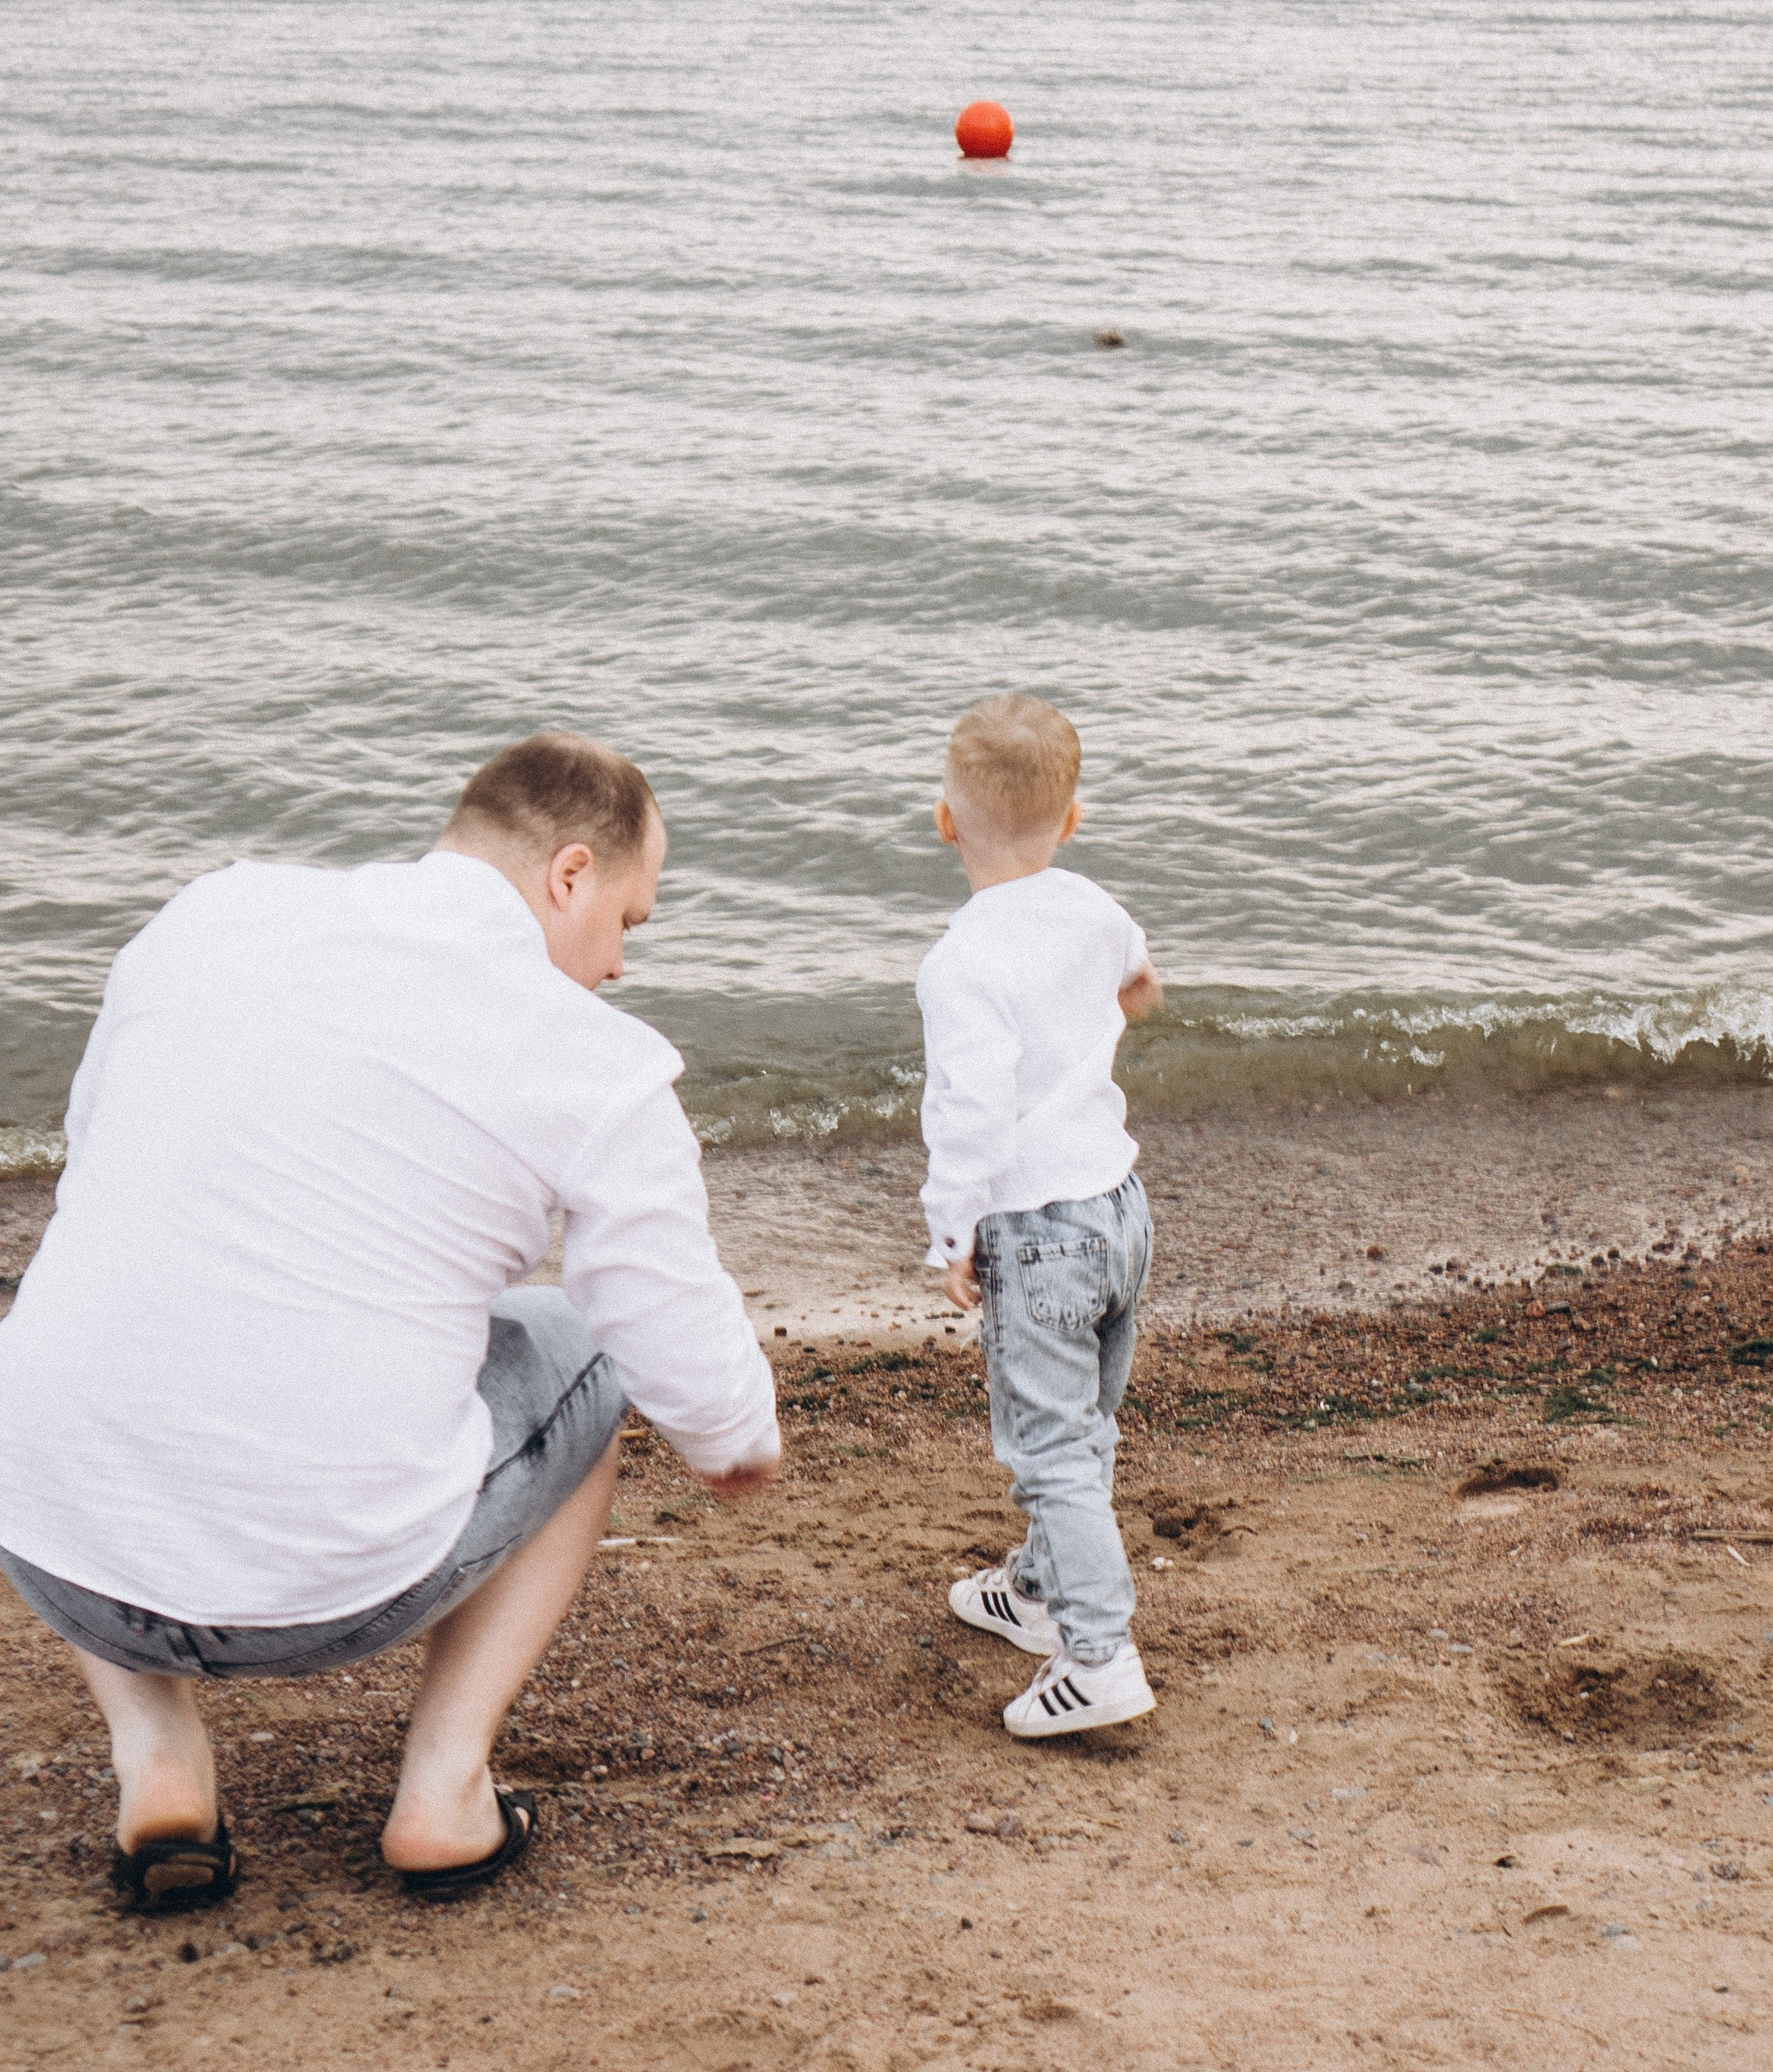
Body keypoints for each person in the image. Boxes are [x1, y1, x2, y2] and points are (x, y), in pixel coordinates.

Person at [0, 733, 780, 1910]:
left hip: (54, 1544)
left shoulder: (211, 915)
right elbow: (665, 1329)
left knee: (101, 1317)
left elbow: (103, 1146)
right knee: (580, 1347)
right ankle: (443, 1790)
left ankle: (156, 1756)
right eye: (630, 920)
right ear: (570, 875)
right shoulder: (587, 1057)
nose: (621, 965)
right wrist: (736, 1444)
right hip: (331, 1586)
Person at [916, 692, 1164, 1738]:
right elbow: (1140, 988)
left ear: (945, 822)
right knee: (1083, 1423)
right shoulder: (1097, 908)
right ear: (1070, 822)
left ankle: (1099, 1655)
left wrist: (951, 1231)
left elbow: (971, 1115)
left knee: (1049, 1449)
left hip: (1039, 1230)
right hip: (1118, 1210)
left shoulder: (960, 961)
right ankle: (1038, 1589)